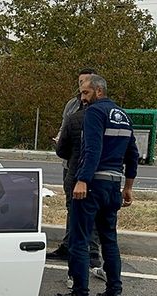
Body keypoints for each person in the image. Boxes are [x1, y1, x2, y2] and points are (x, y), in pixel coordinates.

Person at [54, 74, 138, 296]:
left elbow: (92, 150)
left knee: (79, 240)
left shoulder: (94, 113)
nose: (82, 98)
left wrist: (82, 180)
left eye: (85, 93)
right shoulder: (123, 116)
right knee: (109, 239)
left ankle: (80, 295)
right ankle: (114, 291)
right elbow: (132, 154)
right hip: (113, 185)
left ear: (99, 92)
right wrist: (128, 186)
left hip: (92, 185)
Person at [48, 67, 98, 263]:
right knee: (72, 207)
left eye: (86, 84)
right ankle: (68, 246)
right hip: (69, 165)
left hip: (89, 169)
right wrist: (60, 140)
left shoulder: (99, 110)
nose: (82, 88)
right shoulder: (71, 106)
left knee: (90, 209)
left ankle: (92, 252)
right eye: (80, 84)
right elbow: (64, 129)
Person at [55, 105, 102, 275]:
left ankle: (77, 280)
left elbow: (61, 149)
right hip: (101, 178)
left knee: (78, 219)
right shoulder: (114, 116)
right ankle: (111, 283)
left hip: (77, 175)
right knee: (91, 218)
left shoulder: (76, 117)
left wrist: (81, 177)